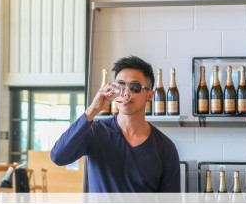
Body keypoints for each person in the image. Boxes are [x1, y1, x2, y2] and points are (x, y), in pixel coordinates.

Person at [51, 55, 181, 193]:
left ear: (149, 96)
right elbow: (58, 156)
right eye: (121, 86)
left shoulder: (165, 148)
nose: (126, 93)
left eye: (135, 87)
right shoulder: (95, 132)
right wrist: (93, 109)